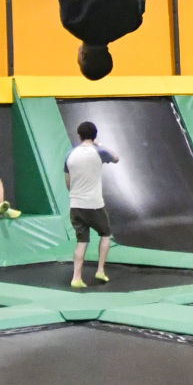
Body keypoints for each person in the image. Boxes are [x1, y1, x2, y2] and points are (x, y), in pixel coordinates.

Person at [65, 120, 119, 288]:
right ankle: (100, 270)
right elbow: (116, 158)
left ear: (79, 135)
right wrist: (99, 143)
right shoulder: (99, 151)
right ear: (94, 136)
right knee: (105, 234)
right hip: (94, 204)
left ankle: (76, 277)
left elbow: (68, 181)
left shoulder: (70, 154)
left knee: (82, 241)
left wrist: (75, 194)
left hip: (75, 204)